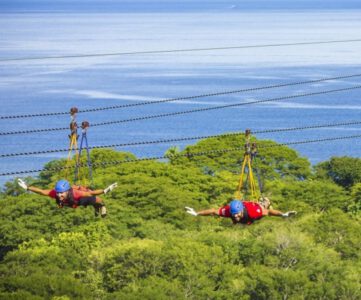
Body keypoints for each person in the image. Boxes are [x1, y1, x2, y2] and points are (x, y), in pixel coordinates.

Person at [17, 179, 118, 218]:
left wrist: (106, 190)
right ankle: (96, 207)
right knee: (91, 199)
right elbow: (41, 191)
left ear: (67, 191)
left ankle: (101, 206)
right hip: (71, 204)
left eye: (61, 193)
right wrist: (27, 187)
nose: (59, 195)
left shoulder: (75, 192)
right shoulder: (54, 193)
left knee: (95, 199)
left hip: (78, 199)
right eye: (58, 193)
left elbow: (91, 193)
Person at [185, 197, 296, 225]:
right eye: (234, 215)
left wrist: (283, 215)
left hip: (254, 209)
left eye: (237, 214)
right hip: (244, 207)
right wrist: (197, 213)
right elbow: (213, 211)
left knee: (265, 206)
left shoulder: (254, 211)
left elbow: (270, 213)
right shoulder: (228, 211)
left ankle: (265, 201)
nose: (236, 216)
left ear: (241, 211)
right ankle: (263, 201)